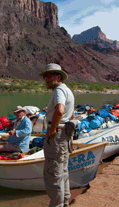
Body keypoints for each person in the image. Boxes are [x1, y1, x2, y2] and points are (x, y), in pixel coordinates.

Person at [40, 63, 75, 207]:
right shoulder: (68, 91)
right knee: (63, 171)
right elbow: (71, 115)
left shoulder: (58, 91)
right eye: (45, 76)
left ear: (58, 77)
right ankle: (65, 201)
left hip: (57, 136)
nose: (46, 79)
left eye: (49, 76)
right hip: (65, 136)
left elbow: (60, 110)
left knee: (53, 173)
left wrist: (52, 129)